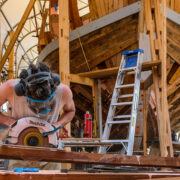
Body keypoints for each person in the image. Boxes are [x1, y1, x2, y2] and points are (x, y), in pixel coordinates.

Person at [0, 62, 75, 170]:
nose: (41, 109)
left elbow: (70, 111)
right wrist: (9, 121)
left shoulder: (63, 91)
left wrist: (57, 125)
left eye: (47, 102)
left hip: (50, 151)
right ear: (22, 91)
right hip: (19, 150)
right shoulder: (9, 88)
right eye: (36, 104)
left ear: (54, 88)